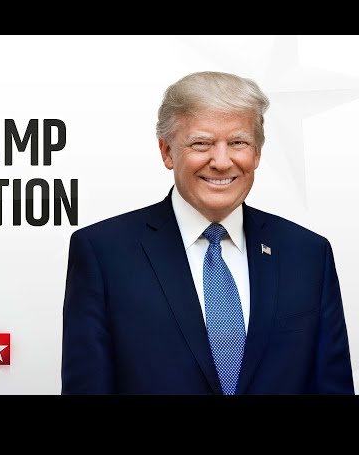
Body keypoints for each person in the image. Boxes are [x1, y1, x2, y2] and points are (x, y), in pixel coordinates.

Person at [61, 71, 354, 395]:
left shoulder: (308, 254)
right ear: (167, 152)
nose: (221, 161)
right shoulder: (104, 253)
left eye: (238, 143)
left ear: (256, 153)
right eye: (201, 143)